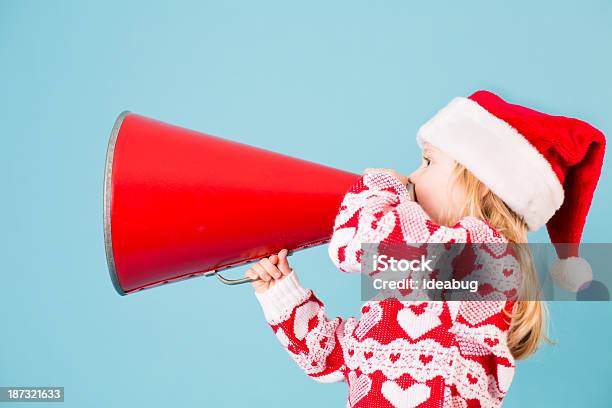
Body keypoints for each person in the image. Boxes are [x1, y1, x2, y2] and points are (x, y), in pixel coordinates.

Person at [244, 90, 606, 407]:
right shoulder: (417, 286)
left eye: (429, 161)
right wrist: (283, 294)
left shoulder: (486, 257)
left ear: (480, 183)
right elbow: (334, 358)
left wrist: (380, 185)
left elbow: (354, 246)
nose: (412, 177)